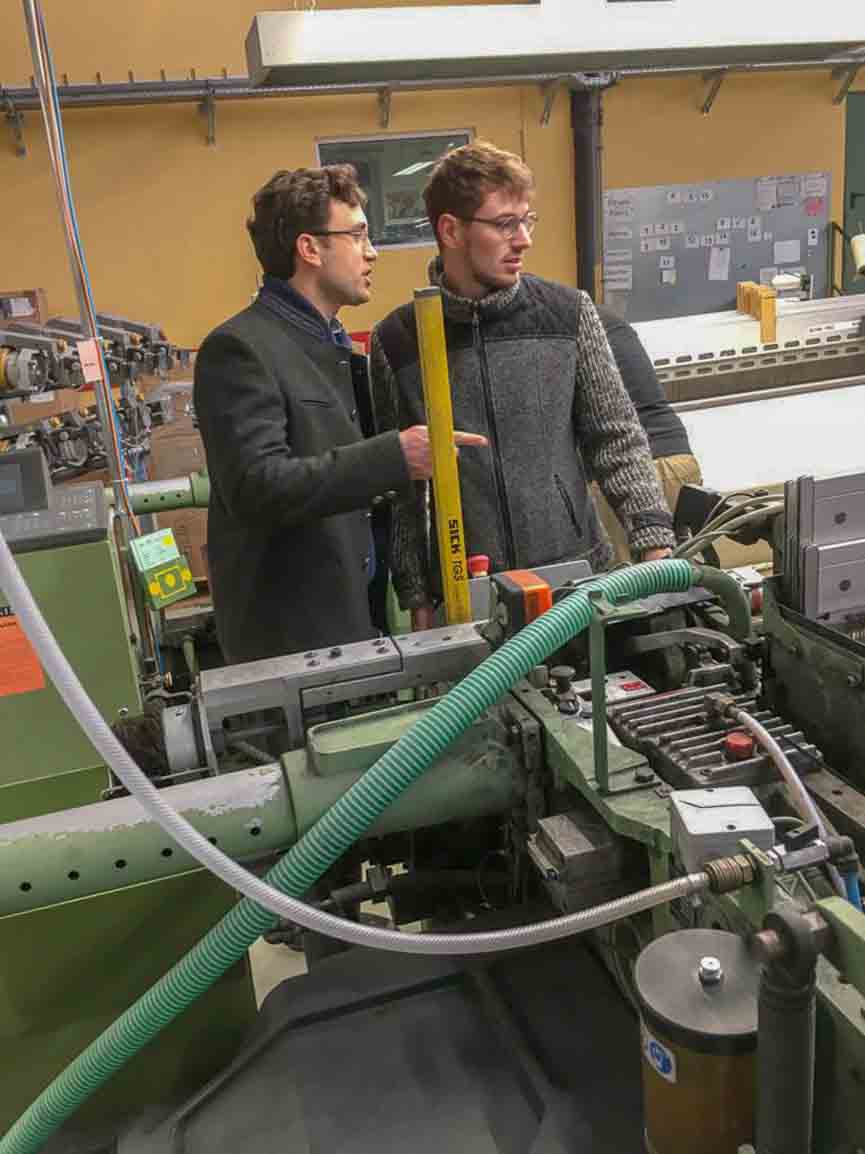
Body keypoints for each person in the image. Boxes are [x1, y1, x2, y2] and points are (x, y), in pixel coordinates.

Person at [370, 141, 675, 628]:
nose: (523, 240)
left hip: (577, 582)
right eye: (505, 223)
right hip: (468, 596)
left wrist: (654, 545)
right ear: (450, 229)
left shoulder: (567, 314)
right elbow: (404, 492)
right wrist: (416, 596)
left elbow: (616, 436)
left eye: (527, 221)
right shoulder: (399, 339)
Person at [194, 165, 485, 664]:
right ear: (310, 249)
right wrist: (393, 456)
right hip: (291, 643)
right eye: (357, 235)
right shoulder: (240, 349)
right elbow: (255, 485)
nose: (372, 252)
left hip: (351, 622)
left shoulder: (335, 347)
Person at [593, 307, 703, 563]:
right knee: (684, 581)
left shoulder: (562, 325)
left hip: (624, 477)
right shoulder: (609, 320)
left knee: (626, 588)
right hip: (677, 462)